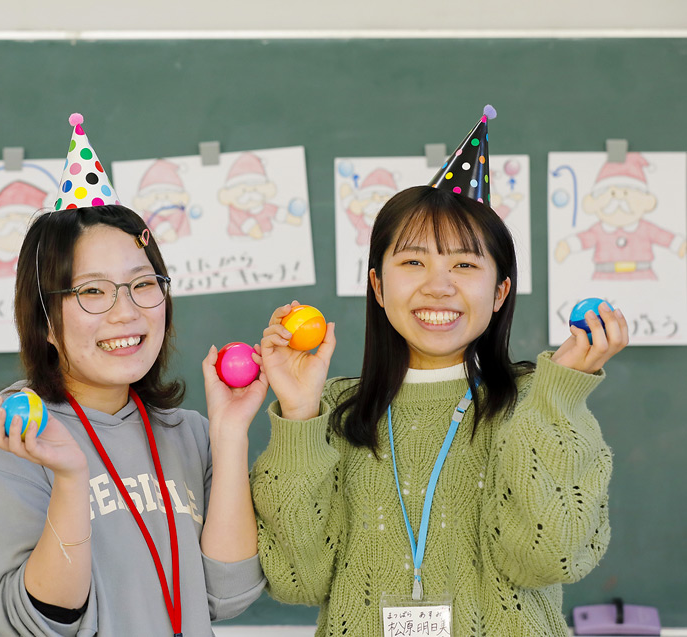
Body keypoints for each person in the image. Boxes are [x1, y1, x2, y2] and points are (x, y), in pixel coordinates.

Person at [251, 109, 628, 636]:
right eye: (413, 263)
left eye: (465, 265)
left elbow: (551, 557)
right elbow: (296, 579)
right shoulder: (334, 410)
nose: (438, 286)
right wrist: (298, 413)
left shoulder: (535, 401)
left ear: (500, 293)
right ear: (379, 288)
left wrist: (557, 398)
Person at [0, 114, 266, 636]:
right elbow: (37, 626)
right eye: (93, 291)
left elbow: (227, 594)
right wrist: (72, 480)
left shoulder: (186, 434)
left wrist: (229, 437)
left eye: (143, 284)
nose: (127, 313)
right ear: (46, 320)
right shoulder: (10, 434)